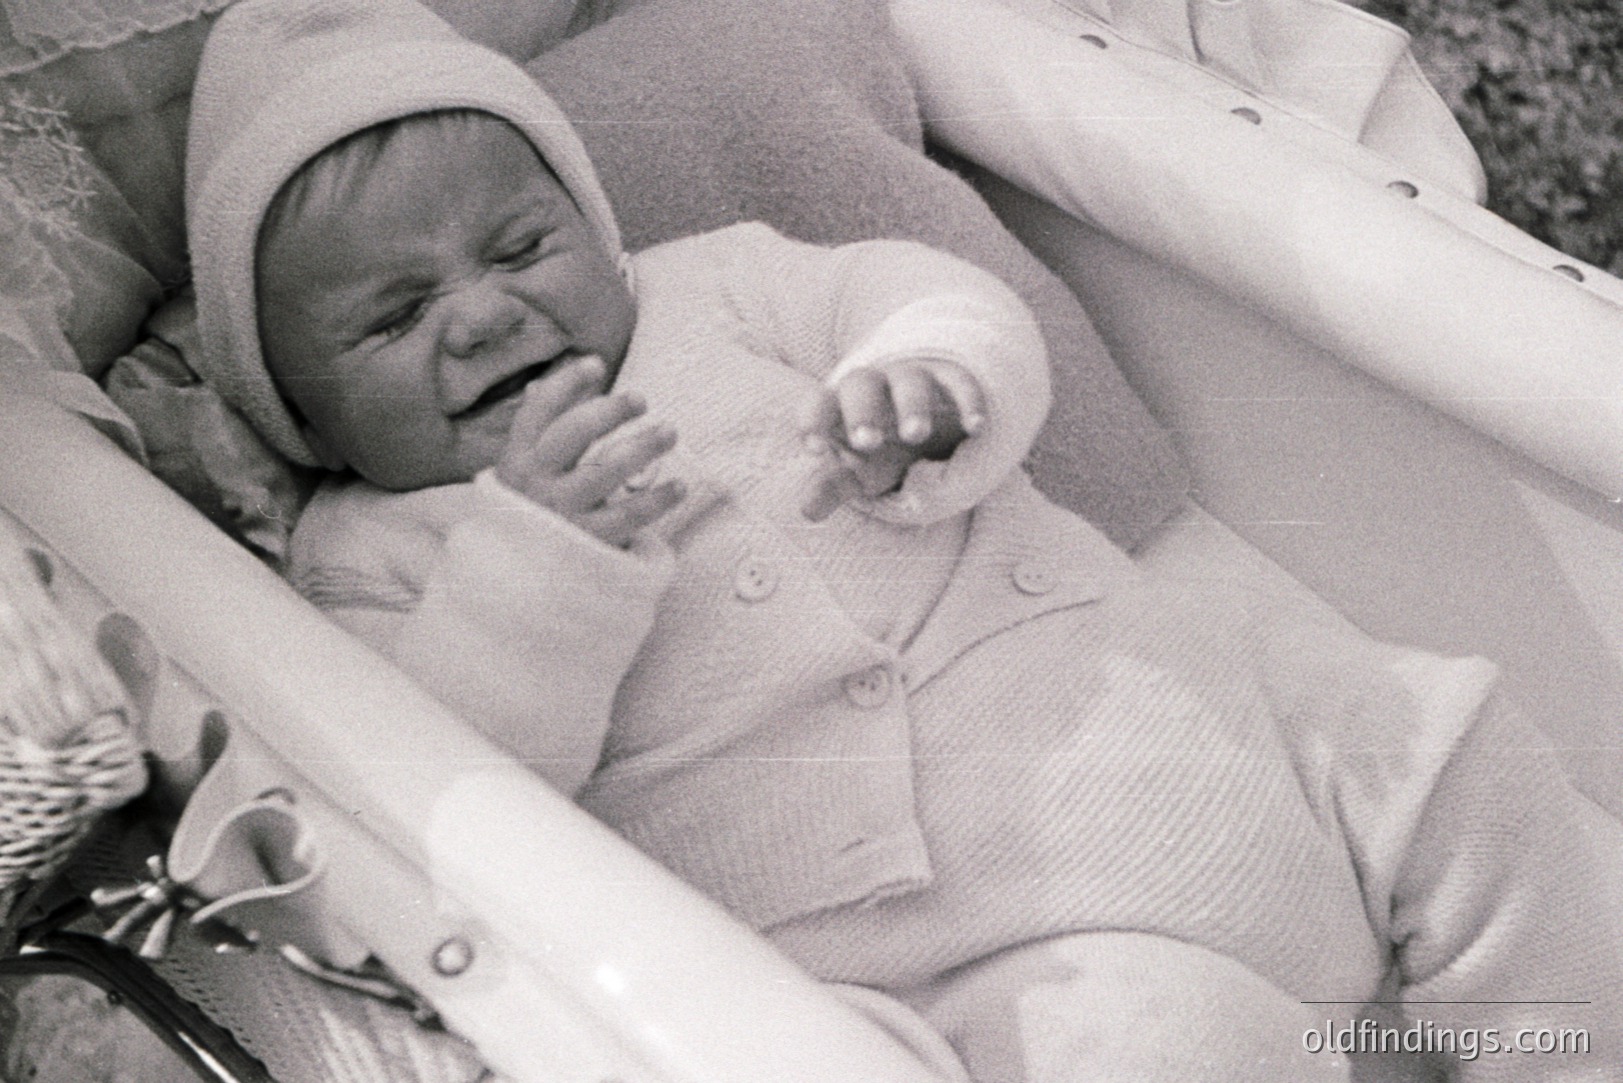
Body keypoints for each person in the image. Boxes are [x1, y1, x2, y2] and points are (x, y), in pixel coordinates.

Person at [185, 0, 1623, 1079]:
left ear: (599, 231)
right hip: (988, 946)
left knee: (1467, 748)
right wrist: (540, 559)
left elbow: (919, 291)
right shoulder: (368, 555)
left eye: (518, 248)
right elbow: (451, 792)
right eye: (394, 316)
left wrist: (930, 381)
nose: (484, 313)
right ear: (295, 413)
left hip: (1209, 718)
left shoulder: (719, 285)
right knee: (1169, 1044)